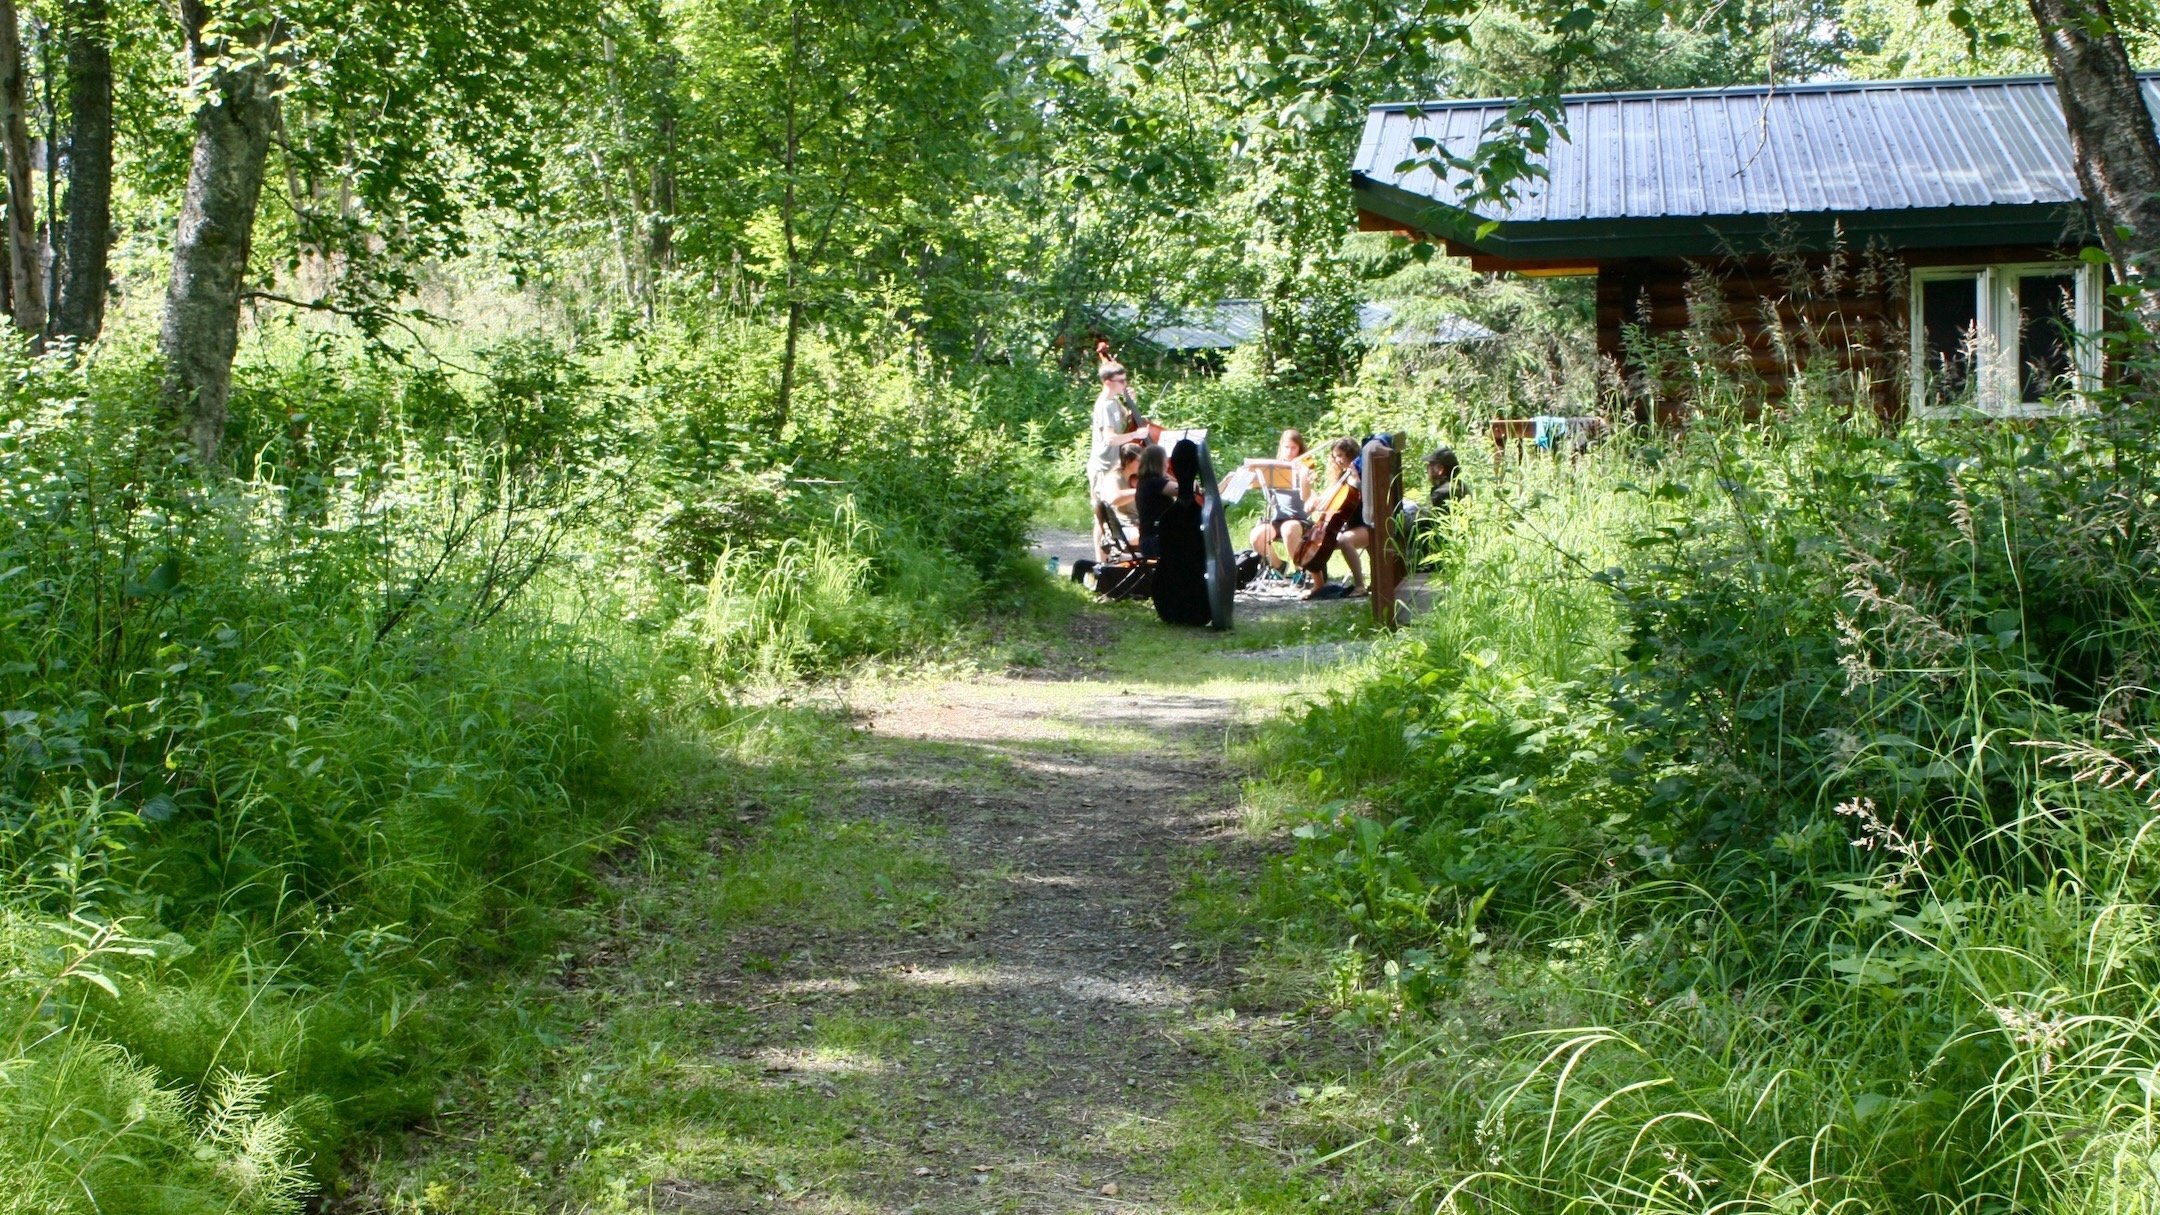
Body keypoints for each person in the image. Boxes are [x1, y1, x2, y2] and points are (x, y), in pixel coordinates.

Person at [1147, 439, 1212, 626]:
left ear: (1172, 466)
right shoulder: (1202, 516)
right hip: (1201, 607)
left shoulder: (1168, 517)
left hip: (1167, 605)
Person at [1301, 437, 1371, 599]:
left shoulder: (1362, 472)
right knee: (1315, 543)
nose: (1338, 460)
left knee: (1345, 540)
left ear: (1351, 454)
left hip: (1368, 524)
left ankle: (1360, 586)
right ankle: (1318, 585)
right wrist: (1314, 502)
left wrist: (1357, 480)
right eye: (1335, 456)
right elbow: (1325, 497)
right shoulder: (1342, 476)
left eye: (1341, 455)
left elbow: (1366, 495)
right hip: (1352, 526)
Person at [1248, 429, 1313, 576]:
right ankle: (1278, 566)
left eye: (1293, 448)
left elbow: (1306, 497)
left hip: (1299, 519)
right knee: (1257, 536)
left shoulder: (1304, 467)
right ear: (1281, 447)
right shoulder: (1273, 469)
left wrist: (1304, 477)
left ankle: (1300, 570)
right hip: (1277, 519)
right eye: (1286, 447)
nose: (1289, 452)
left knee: (1288, 529)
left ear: (1300, 449)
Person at [1401, 446, 1468, 567]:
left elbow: (1439, 525)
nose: (1428, 469)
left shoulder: (1442, 492)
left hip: (1446, 549)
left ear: (1440, 469)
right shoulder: (1460, 485)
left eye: (1431, 465)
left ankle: (1416, 564)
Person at [1093, 443, 1144, 554]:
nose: (1142, 464)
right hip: (1122, 529)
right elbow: (1114, 498)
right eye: (1139, 461)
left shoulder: (1135, 477)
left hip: (1135, 525)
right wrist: (1140, 490)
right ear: (1128, 461)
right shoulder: (1114, 478)